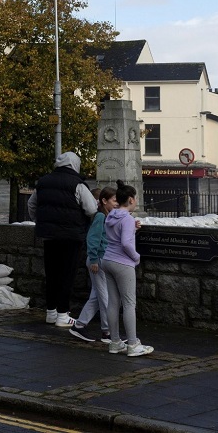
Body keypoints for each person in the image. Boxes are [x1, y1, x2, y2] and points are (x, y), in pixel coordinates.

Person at [27, 151, 98, 327]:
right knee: (67, 274)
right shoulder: (78, 184)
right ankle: (62, 315)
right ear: (75, 164)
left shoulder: (43, 182)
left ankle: (50, 312)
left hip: (49, 236)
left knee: (51, 273)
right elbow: (90, 209)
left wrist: (42, 221)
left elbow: (31, 205)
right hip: (71, 236)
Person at [102, 180, 153, 357]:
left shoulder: (111, 215)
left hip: (107, 260)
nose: (137, 201)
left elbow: (118, 235)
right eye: (136, 198)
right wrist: (136, 257)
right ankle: (132, 344)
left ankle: (115, 342)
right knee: (129, 304)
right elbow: (125, 243)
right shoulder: (127, 219)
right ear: (131, 199)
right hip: (123, 263)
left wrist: (133, 229)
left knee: (113, 303)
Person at [68, 185, 117, 343]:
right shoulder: (100, 217)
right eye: (114, 200)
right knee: (105, 298)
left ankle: (79, 326)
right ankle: (107, 332)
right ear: (104, 201)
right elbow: (93, 239)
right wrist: (94, 259)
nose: (116, 203)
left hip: (101, 259)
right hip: (98, 260)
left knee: (96, 297)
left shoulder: (105, 217)